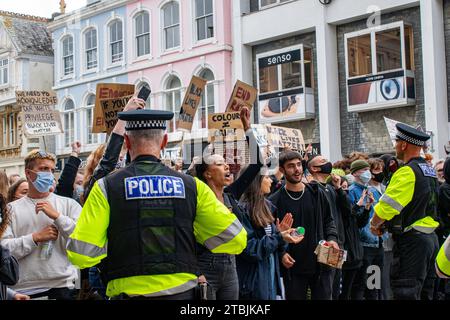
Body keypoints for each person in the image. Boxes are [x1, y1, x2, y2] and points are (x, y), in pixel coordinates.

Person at [66, 109, 247, 300]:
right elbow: (236, 239)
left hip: (127, 292)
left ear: (127, 142)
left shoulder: (106, 187)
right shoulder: (192, 186)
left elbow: (81, 254)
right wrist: (197, 231)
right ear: (164, 141)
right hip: (182, 294)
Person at [193, 107, 265, 300]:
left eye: (225, 162)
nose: (226, 165)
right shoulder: (196, 199)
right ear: (207, 173)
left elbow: (257, 163)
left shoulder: (231, 195)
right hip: (205, 266)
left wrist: (247, 127)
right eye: (218, 163)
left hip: (231, 265)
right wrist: (196, 272)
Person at [370, 123, 440, 300]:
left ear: (403, 145)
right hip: (430, 239)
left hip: (412, 241)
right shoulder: (429, 171)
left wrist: (374, 224)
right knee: (425, 292)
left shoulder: (407, 172)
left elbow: (386, 207)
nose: (395, 146)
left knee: (405, 291)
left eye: (396, 142)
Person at [0, 150, 82, 300]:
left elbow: (82, 243)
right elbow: (4, 251)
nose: (49, 174)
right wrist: (35, 238)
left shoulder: (69, 205)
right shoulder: (10, 210)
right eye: (44, 169)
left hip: (61, 286)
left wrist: (58, 217)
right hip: (22, 290)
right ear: (29, 174)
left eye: (52, 169)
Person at [269, 150, 339, 300]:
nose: (297, 170)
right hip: (293, 268)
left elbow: (329, 220)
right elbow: (271, 234)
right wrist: (281, 253)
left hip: (322, 263)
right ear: (282, 170)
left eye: (299, 165)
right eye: (291, 166)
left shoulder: (316, 192)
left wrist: (332, 238)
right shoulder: (274, 201)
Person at [237, 168, 303, 300]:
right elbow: (250, 249)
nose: (270, 181)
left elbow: (272, 243)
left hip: (269, 278)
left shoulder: (267, 206)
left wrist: (281, 237)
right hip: (253, 283)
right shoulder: (242, 210)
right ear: (256, 182)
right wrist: (279, 237)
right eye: (266, 177)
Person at [307, 155, 348, 300]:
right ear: (313, 168)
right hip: (325, 245)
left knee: (336, 288)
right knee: (325, 288)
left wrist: (338, 189)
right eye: (323, 162)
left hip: (337, 243)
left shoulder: (330, 188)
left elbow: (346, 211)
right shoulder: (312, 190)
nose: (328, 163)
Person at [348, 159, 385, 300]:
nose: (367, 173)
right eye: (364, 170)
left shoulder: (371, 191)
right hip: (363, 245)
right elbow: (354, 219)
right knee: (361, 284)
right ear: (355, 173)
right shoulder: (351, 192)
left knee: (374, 283)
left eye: (367, 170)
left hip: (377, 243)